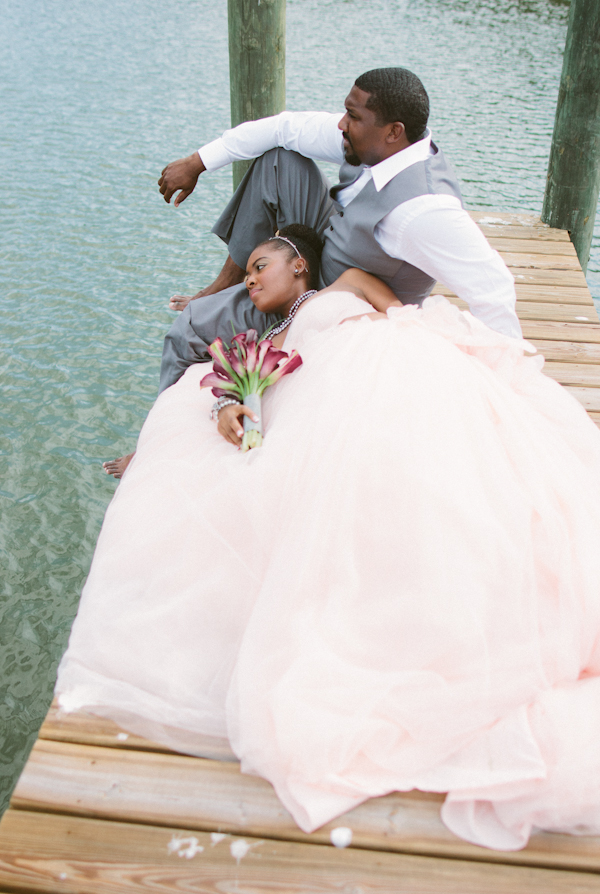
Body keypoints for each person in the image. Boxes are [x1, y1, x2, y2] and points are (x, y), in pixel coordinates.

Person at [58, 225, 600, 852]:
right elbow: (235, 393)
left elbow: (405, 315)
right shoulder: (264, 344)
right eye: (249, 271)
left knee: (459, 476)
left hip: (398, 370)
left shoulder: (346, 285)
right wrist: (228, 407)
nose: (251, 277)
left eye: (262, 265)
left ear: (299, 265)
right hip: (328, 414)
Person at [156, 67, 522, 396]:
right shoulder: (378, 142)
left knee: (187, 330)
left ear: (394, 132)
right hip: (332, 244)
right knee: (278, 161)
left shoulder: (423, 210)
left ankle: (157, 443)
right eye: (347, 111)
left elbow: (494, 289)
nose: (341, 124)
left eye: (353, 116)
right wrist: (197, 162)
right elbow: (284, 127)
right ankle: (228, 283)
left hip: (341, 305)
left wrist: (504, 387)